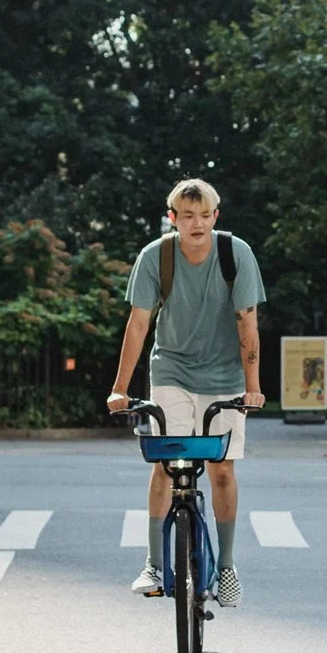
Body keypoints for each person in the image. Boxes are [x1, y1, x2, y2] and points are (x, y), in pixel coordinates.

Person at [106, 178, 266, 606]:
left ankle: (227, 566)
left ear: (216, 216)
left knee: (222, 471)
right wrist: (119, 388)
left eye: (204, 215)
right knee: (165, 465)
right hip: (172, 370)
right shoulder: (156, 256)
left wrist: (253, 389)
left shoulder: (236, 254)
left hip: (225, 374)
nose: (197, 223)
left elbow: (247, 324)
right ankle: (155, 563)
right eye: (187, 215)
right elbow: (139, 324)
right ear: (173, 219)